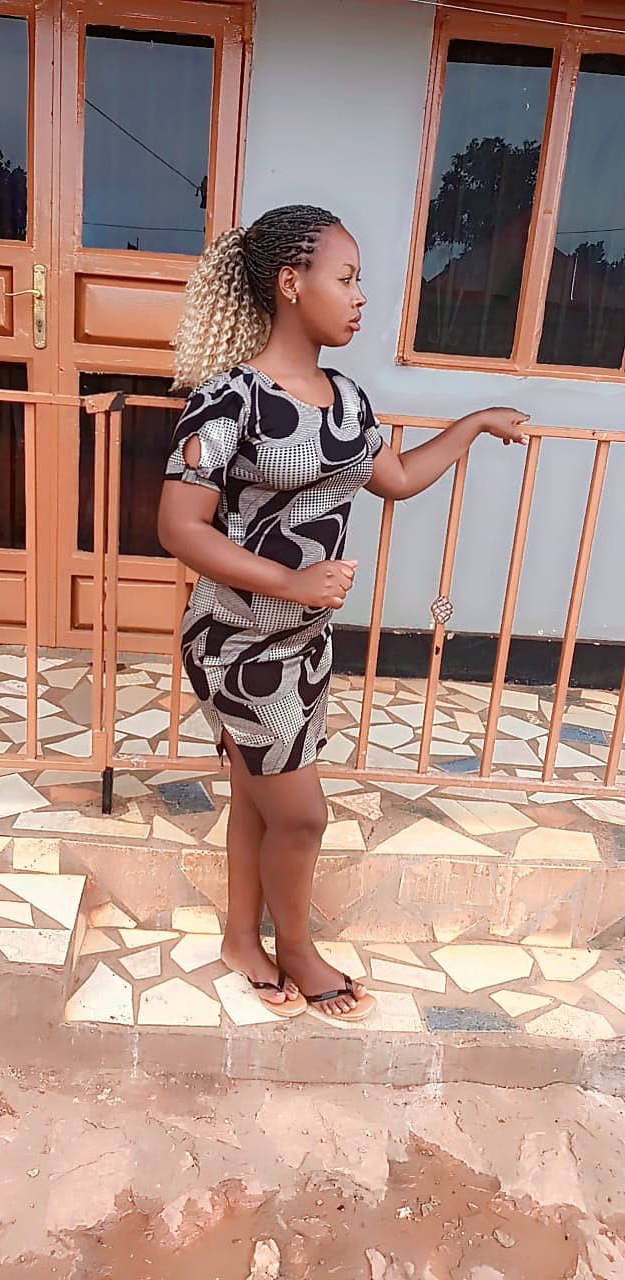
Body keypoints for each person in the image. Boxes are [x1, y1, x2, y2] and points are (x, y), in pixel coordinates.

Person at [158, 205, 528, 1024]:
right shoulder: (229, 399)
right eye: (347, 278)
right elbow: (179, 528)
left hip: (304, 642)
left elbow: (395, 479)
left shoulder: (349, 400)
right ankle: (296, 948)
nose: (361, 297)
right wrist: (291, 583)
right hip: (236, 642)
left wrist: (472, 424)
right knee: (301, 814)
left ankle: (241, 940)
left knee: (257, 796)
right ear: (292, 284)